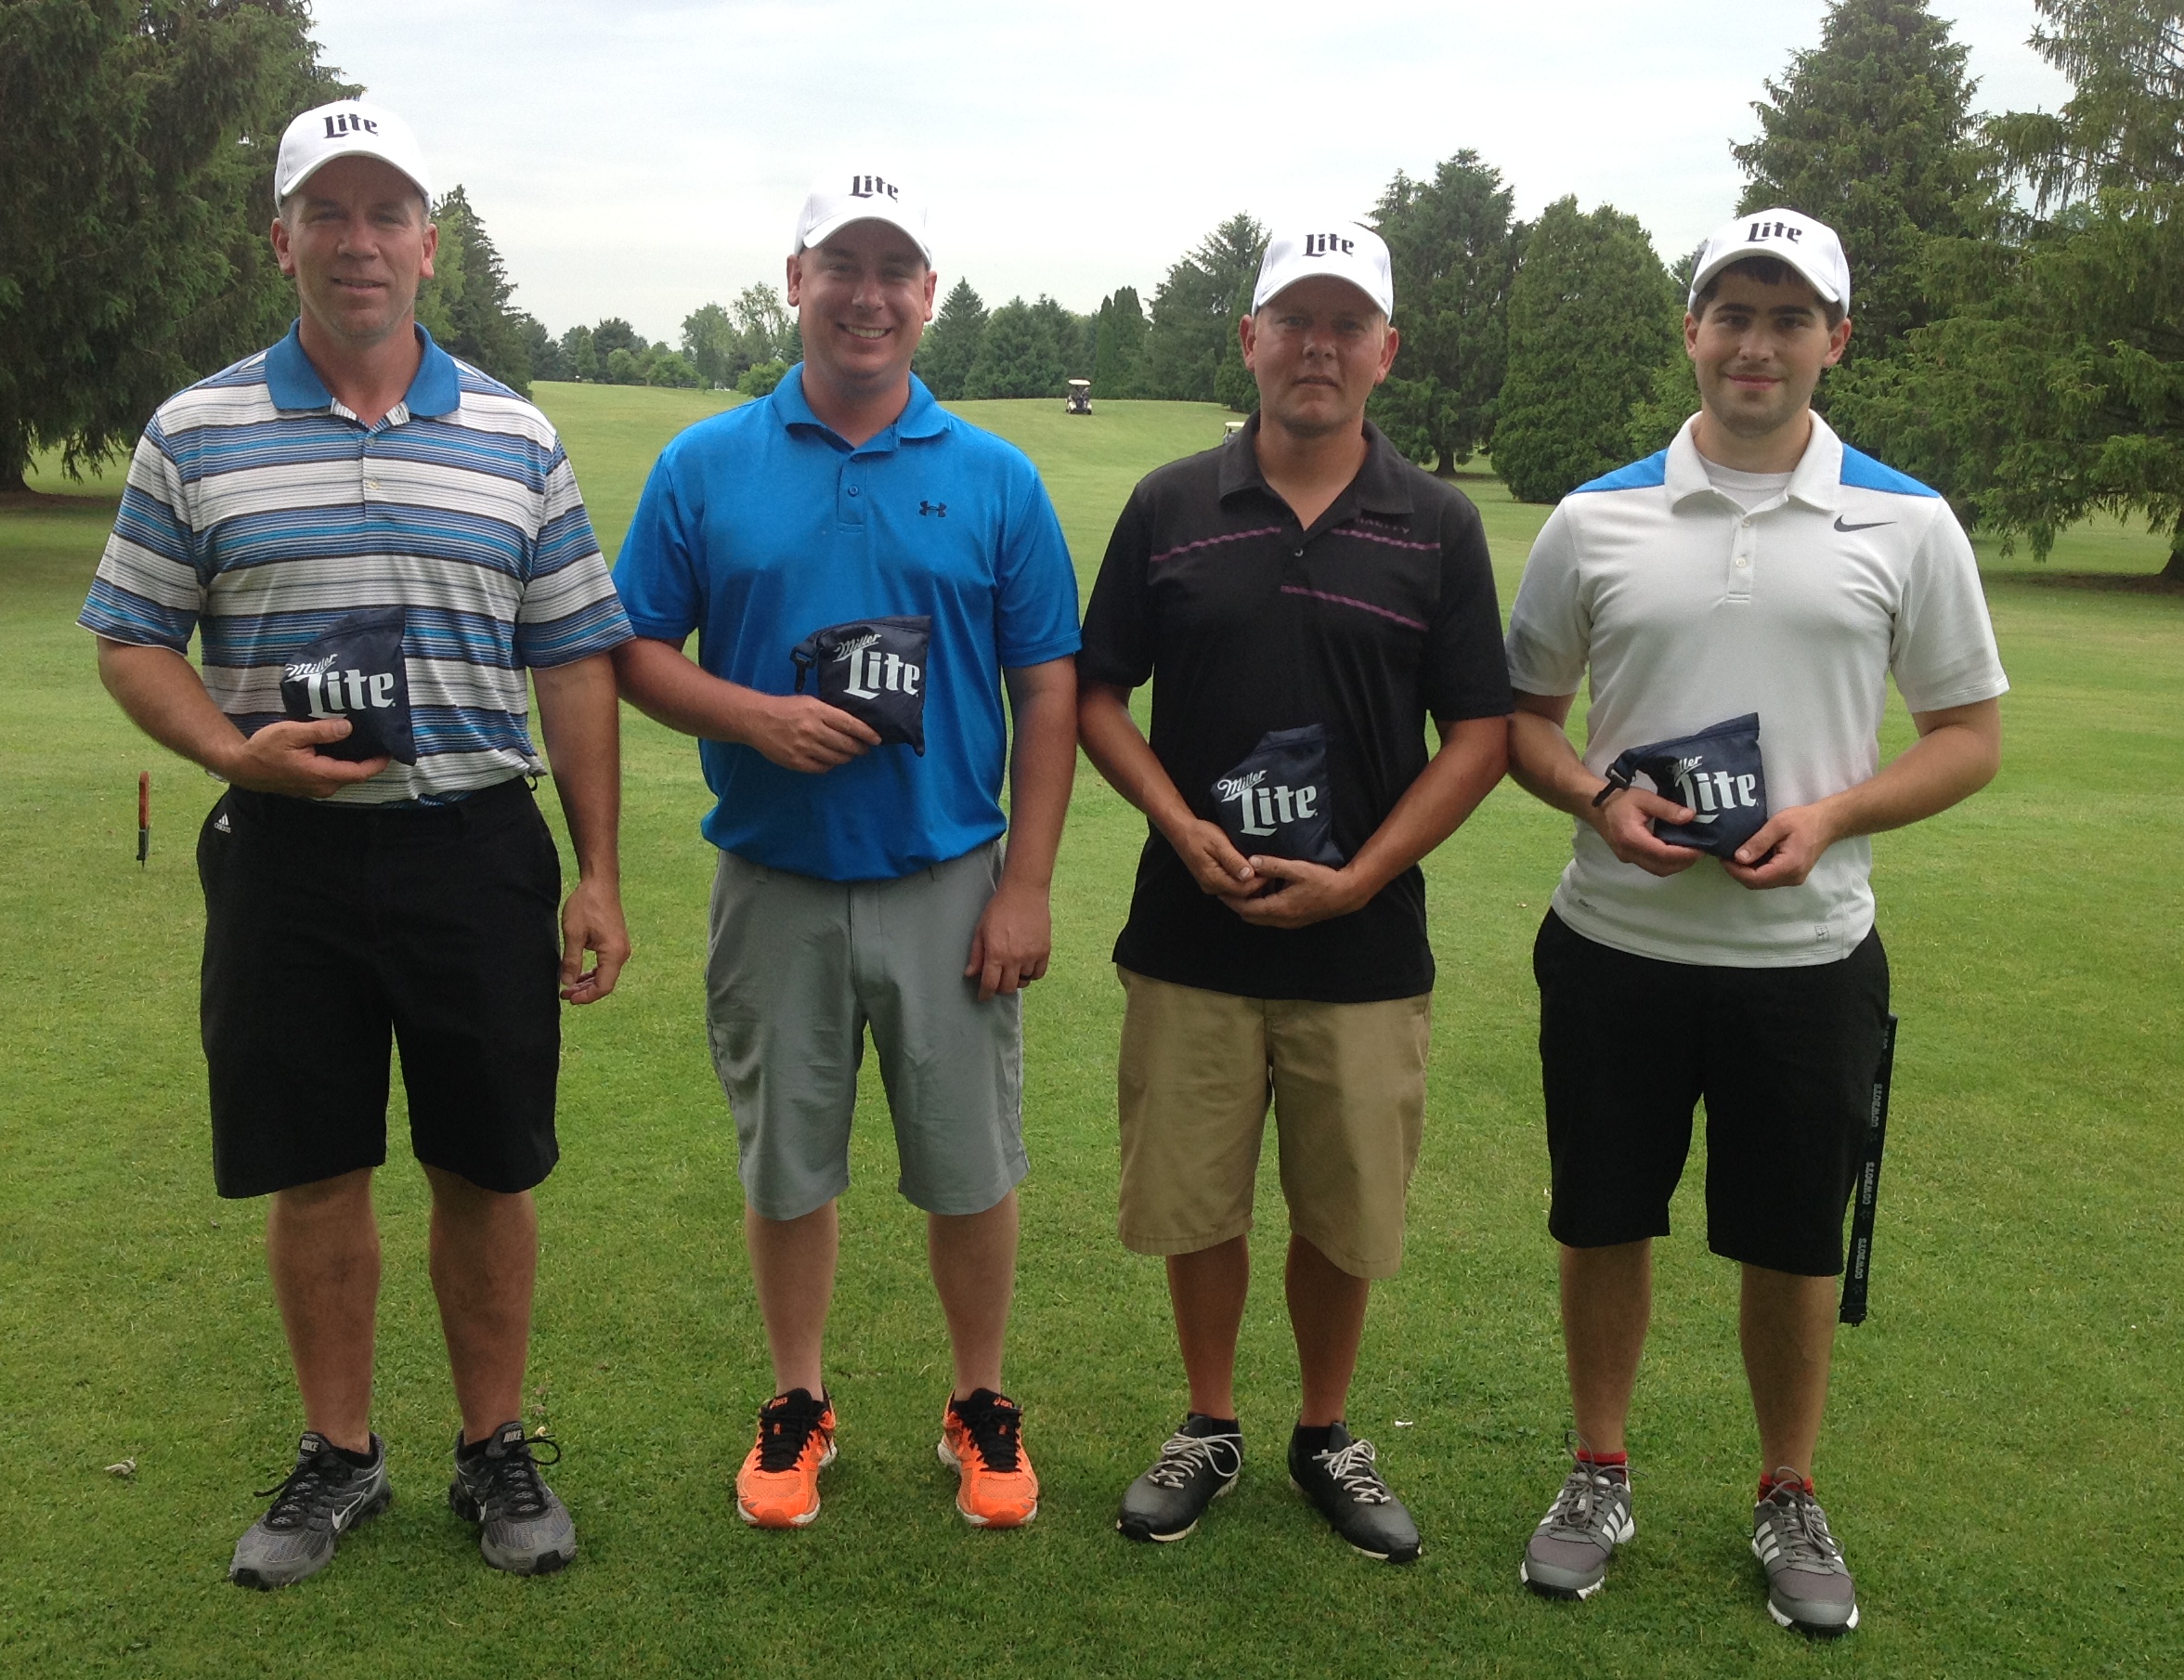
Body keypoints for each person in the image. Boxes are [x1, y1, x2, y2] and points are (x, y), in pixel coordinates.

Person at [80, 100, 633, 1588]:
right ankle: (341, 1454)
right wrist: (224, 748)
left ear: (429, 244)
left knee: (486, 1168)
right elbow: (131, 634)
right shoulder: (196, 429)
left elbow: (576, 656)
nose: (361, 240)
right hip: (287, 856)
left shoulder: (515, 432)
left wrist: (597, 869)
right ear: (283, 240)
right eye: (329, 213)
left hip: (472, 849)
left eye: (388, 213)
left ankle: (492, 1447)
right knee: (313, 1168)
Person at [1502, 208, 2007, 1633]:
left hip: (1808, 958)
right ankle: (1599, 1469)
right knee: (1603, 1217)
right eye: (1734, 312)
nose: (1757, 344)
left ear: (1835, 341)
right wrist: (1601, 800)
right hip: (1614, 943)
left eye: (1790, 319)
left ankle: (1788, 1490)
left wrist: (1834, 815)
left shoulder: (1905, 519)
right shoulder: (1597, 513)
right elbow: (1524, 722)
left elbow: (1968, 733)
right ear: (1694, 332)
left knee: (1791, 1240)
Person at [612, 173, 1079, 1531]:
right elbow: (633, 648)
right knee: (787, 1159)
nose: (869, 294)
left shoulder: (994, 475)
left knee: (969, 1161)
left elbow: (1048, 683)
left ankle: (979, 1403)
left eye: (899, 269)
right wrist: (750, 715)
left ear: (929, 294)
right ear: (797, 277)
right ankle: (798, 1400)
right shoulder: (708, 462)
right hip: (773, 877)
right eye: (844, 265)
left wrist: (1030, 884)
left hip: (948, 883)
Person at [1076, 224, 1511, 1563]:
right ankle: (1210, 1423)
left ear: (1386, 350)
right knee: (1197, 1198)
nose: (1317, 347)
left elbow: (1483, 732)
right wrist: (1174, 819)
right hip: (1190, 930)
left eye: (1346, 323)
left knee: (1342, 1208)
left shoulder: (1435, 524)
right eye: (1292, 319)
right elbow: (1096, 697)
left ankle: (1326, 1431)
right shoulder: (1167, 507)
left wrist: (1366, 875)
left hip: (1364, 943)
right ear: (1250, 338)